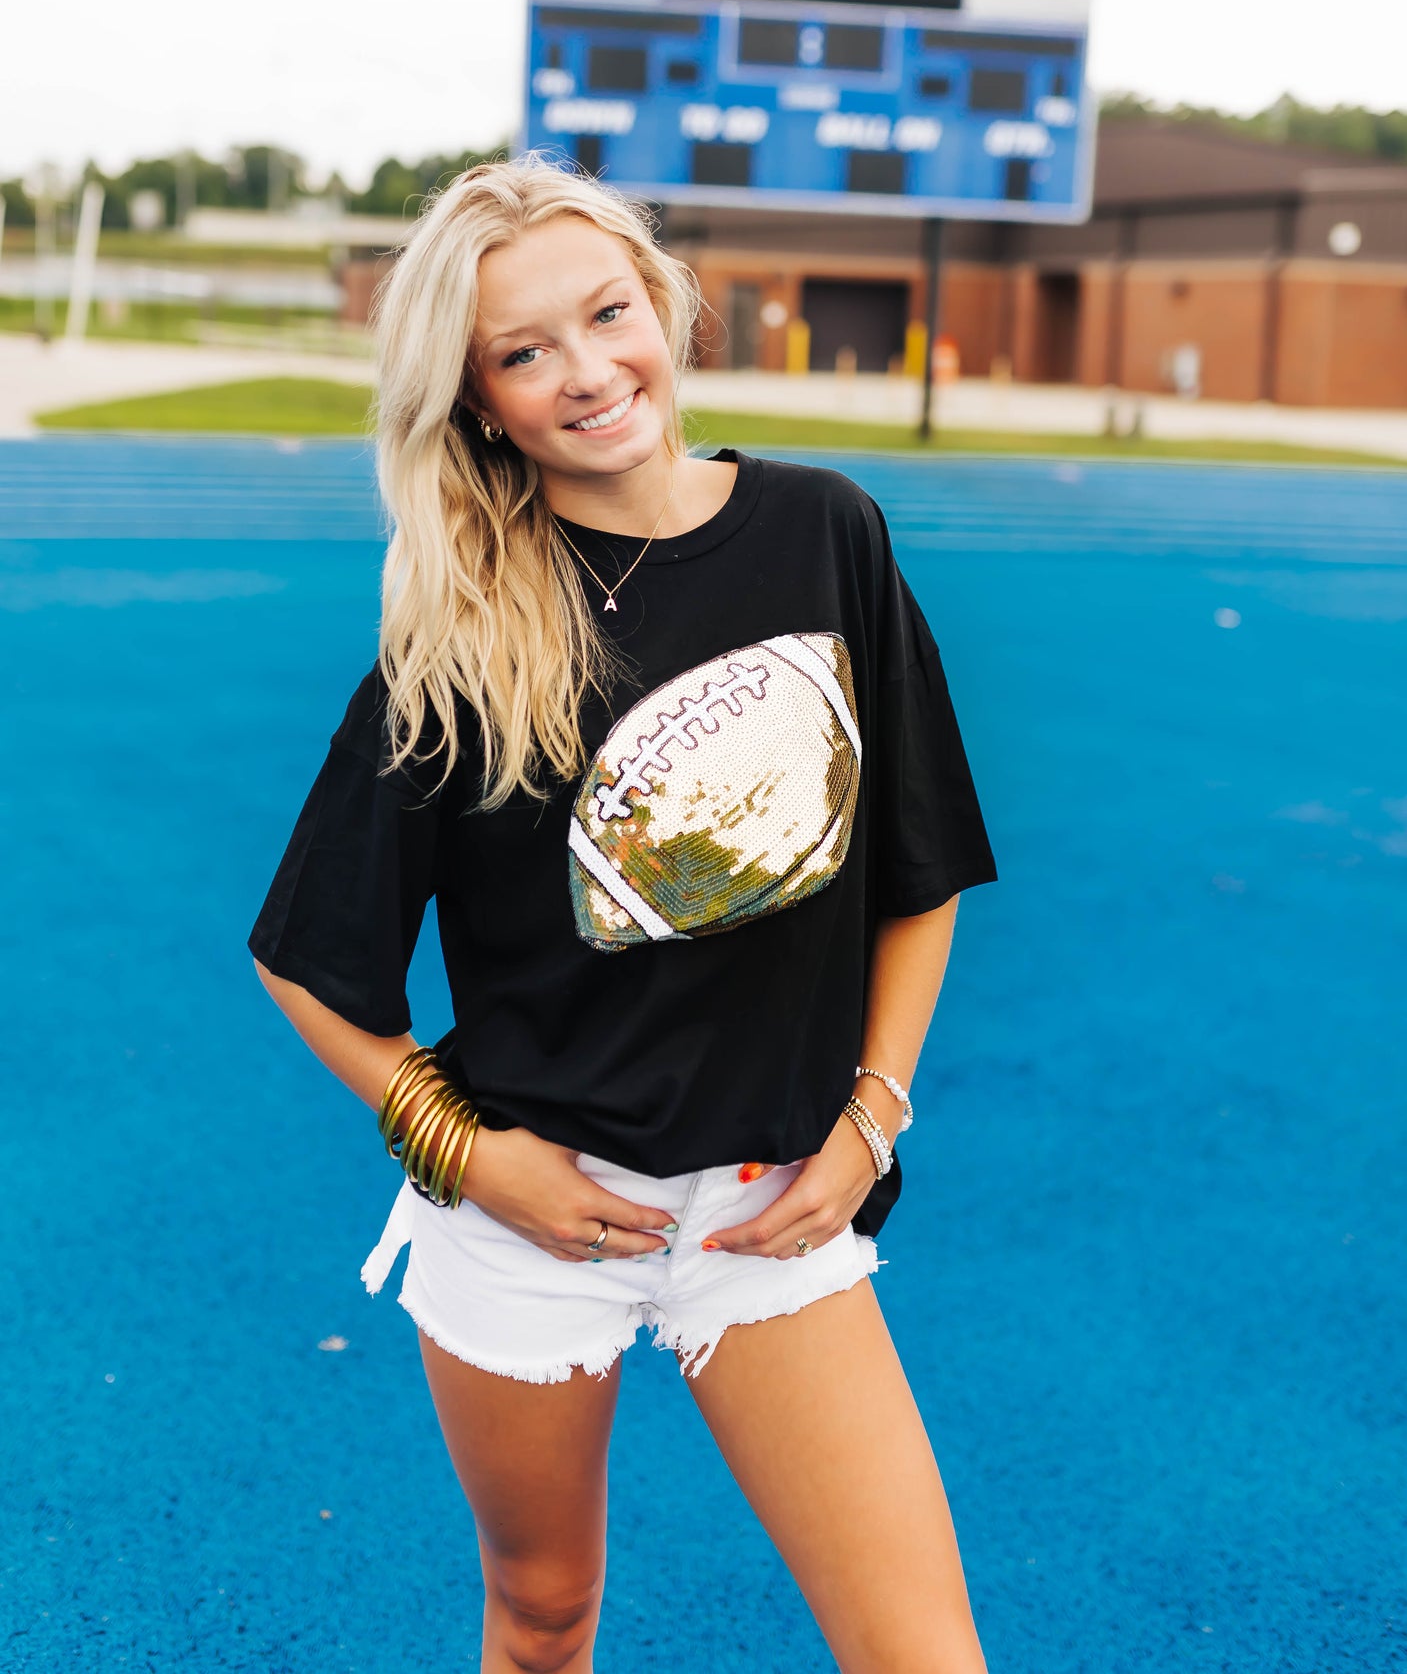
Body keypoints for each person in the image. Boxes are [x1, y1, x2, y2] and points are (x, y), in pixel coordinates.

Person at [249, 157, 998, 1673]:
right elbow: (310, 963)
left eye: (607, 314)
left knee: (920, 1652)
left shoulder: (822, 533)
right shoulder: (459, 626)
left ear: (662, 306)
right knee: (542, 1616)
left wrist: (870, 1119)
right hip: (532, 1219)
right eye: (524, 353)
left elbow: (917, 872)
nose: (587, 371)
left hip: (770, 1204)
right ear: (475, 402)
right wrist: (474, 1156)